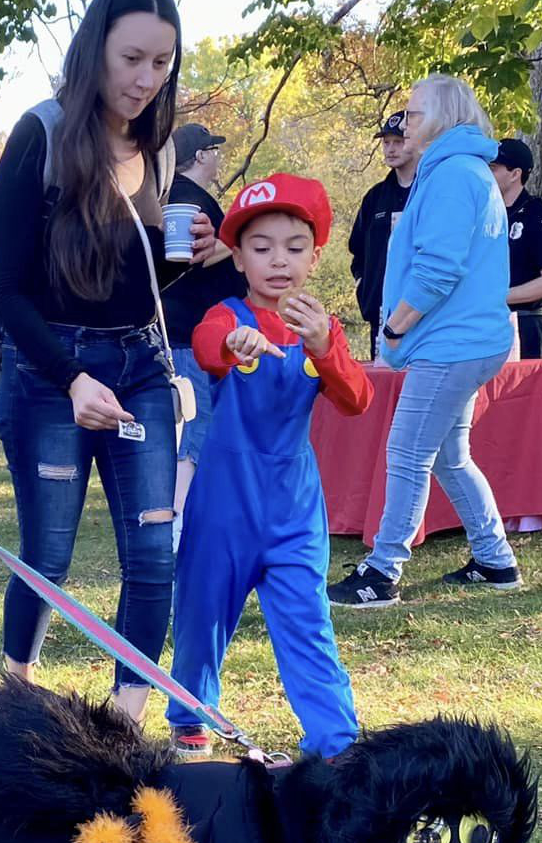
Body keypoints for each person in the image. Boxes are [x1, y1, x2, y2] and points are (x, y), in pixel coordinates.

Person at [0, 0, 215, 724]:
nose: (147, 79)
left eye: (162, 63)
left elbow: (134, 273)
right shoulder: (41, 133)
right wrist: (71, 377)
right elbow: (6, 292)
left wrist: (187, 253)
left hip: (144, 367)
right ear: (96, 50)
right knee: (49, 557)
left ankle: (123, 727)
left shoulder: (156, 149)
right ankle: (12, 700)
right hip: (53, 370)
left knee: (153, 556)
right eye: (132, 59)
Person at [170, 175, 371, 759]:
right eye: (261, 248)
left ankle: (335, 742)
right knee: (201, 614)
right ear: (237, 256)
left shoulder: (321, 326)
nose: (278, 261)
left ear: (314, 255)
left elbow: (357, 398)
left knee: (308, 625)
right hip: (223, 508)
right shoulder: (224, 313)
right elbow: (208, 347)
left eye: (293, 247)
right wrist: (235, 344)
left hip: (293, 512)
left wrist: (323, 348)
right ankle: (189, 716)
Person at [328, 74, 521, 608]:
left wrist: (396, 327)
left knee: (407, 452)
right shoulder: (463, 171)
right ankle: (495, 559)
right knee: (448, 457)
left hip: (450, 343)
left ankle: (381, 572)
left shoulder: (453, 174)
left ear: (441, 118)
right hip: (465, 340)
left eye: (413, 113)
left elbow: (438, 268)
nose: (405, 121)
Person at [162, 123, 247, 545]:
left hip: (184, 335)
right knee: (195, 429)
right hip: (191, 336)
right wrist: (238, 241)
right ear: (200, 156)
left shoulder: (168, 196)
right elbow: (189, 260)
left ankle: (188, 513)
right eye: (215, 151)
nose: (218, 158)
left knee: (191, 427)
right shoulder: (188, 201)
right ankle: (177, 523)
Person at [489, 138, 542, 361]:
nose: (486, 174)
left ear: (515, 174)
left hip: (527, 327)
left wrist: (497, 297)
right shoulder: (485, 217)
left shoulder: (540, 216)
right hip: (487, 326)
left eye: (493, 168)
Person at [349, 110, 417, 359]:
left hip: (422, 310)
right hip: (381, 312)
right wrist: (364, 286)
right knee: (384, 384)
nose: (390, 149)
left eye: (398, 142)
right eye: (386, 142)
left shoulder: (432, 191)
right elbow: (357, 250)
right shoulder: (375, 197)